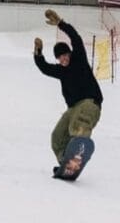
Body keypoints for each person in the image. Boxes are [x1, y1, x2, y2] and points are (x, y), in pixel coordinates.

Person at [33, 9, 103, 169]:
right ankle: (67, 163)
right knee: (57, 137)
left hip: (90, 104)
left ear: (70, 54)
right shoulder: (61, 71)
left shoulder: (79, 59)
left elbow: (75, 38)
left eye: (65, 55)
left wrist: (60, 24)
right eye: (60, 57)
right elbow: (44, 68)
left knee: (76, 126)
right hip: (73, 108)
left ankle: (80, 147)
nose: (63, 59)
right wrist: (38, 53)